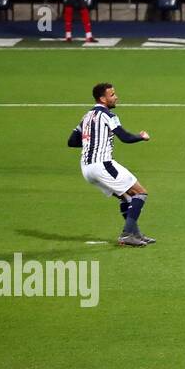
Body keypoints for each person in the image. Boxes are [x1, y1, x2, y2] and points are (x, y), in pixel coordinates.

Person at [68, 82, 155, 247]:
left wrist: (92, 141)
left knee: (127, 198)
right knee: (140, 193)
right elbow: (125, 138)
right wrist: (141, 136)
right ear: (102, 98)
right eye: (112, 95)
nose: (116, 97)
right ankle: (127, 234)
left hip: (87, 170)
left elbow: (72, 141)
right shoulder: (108, 115)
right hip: (103, 164)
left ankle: (135, 234)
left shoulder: (86, 117)